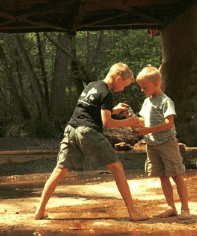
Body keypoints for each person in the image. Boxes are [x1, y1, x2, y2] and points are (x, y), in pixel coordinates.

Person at [34, 63, 149, 221]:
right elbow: (107, 123)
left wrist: (113, 109)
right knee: (117, 167)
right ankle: (133, 213)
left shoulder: (92, 85)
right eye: (124, 84)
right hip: (87, 131)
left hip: (71, 130)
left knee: (59, 170)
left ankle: (39, 211)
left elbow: (90, 107)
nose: (123, 89)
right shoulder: (107, 94)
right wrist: (130, 122)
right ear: (118, 78)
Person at [135, 65, 191, 220]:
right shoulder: (147, 102)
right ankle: (170, 207)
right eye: (141, 87)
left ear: (156, 84)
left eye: (144, 87)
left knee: (177, 175)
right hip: (152, 145)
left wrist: (148, 130)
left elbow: (169, 124)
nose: (142, 90)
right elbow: (142, 121)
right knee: (162, 175)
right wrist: (131, 118)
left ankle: (185, 208)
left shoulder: (166, 101)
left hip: (167, 143)